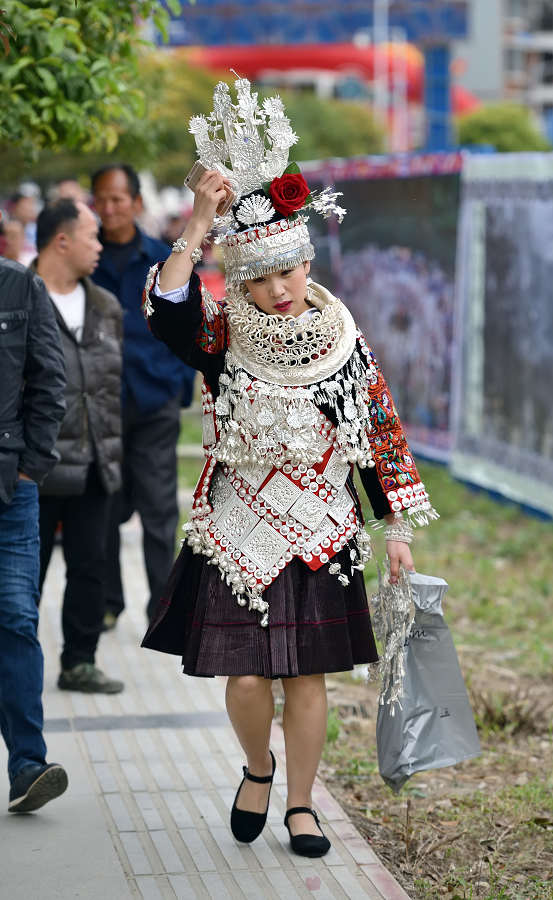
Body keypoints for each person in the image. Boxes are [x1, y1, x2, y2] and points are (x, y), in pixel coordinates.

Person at [141, 80, 439, 857]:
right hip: (238, 520)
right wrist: (200, 224)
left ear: (306, 262)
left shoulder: (344, 338)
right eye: (259, 280)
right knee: (245, 680)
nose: (276, 292)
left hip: (324, 521)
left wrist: (397, 527)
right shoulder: (220, 336)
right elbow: (167, 303)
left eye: (287, 273)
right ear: (239, 282)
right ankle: (257, 766)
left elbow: (379, 433)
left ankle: (302, 805)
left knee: (308, 680)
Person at [90, 164, 195, 625]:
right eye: (102, 200)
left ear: (136, 203)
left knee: (157, 509)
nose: (109, 209)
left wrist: (177, 386)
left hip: (154, 400)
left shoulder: (162, 258)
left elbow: (188, 322)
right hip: (100, 406)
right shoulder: (84, 256)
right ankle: (109, 604)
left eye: (118, 199)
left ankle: (162, 609)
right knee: (105, 507)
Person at [35, 198, 124, 694]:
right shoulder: (17, 298)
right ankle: (14, 667)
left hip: (94, 462)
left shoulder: (105, 305)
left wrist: (114, 453)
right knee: (25, 575)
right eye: (92, 236)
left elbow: (111, 388)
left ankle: (80, 661)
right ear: (62, 240)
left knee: (91, 566)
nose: (100, 245)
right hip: (35, 467)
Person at [0, 212, 68, 812]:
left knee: (16, 619)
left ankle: (27, 765)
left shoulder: (20, 288)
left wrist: (28, 468)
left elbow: (51, 382)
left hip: (9, 493)